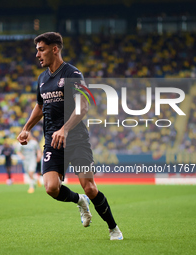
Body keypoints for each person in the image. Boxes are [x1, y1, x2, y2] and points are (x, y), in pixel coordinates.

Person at [17, 32, 123, 240]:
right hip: (53, 142)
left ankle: (113, 228)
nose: (37, 54)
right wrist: (27, 127)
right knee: (51, 188)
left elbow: (82, 107)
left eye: (41, 49)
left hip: (76, 141)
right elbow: (40, 106)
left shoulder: (73, 74)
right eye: (37, 50)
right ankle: (80, 201)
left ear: (55, 49)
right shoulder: (42, 79)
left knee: (91, 188)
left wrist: (64, 129)